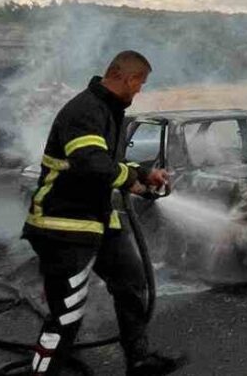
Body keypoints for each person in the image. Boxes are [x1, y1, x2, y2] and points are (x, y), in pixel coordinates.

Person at [22, 51, 186, 375]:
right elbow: (91, 164)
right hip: (63, 225)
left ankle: (138, 361)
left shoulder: (109, 112)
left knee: (132, 282)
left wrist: (142, 173)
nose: (140, 90)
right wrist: (133, 184)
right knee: (68, 311)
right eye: (140, 82)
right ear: (123, 76)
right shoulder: (84, 111)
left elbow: (107, 162)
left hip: (97, 220)